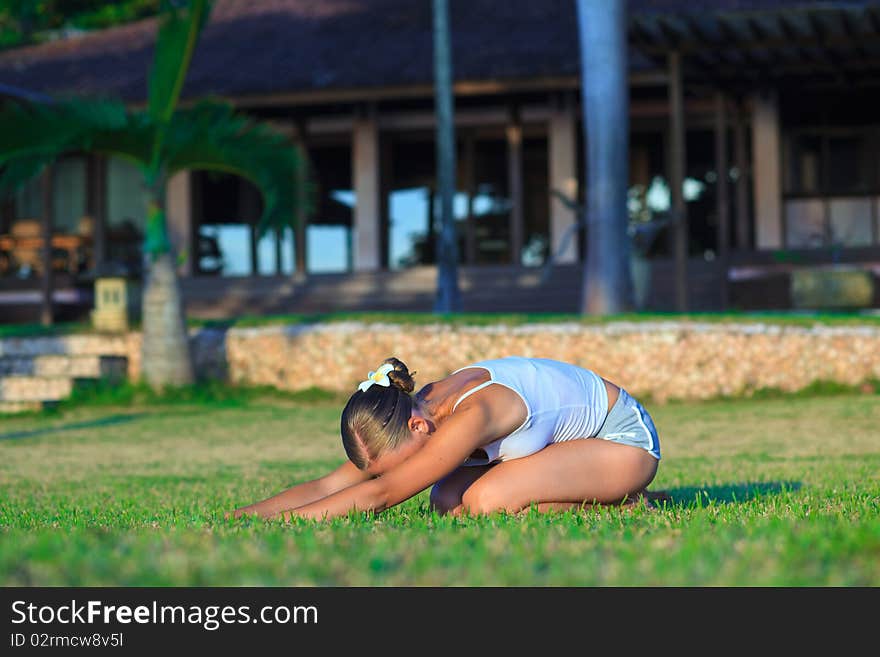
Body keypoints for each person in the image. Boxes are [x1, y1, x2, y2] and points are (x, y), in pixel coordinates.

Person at [230, 356, 665, 522]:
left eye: (396, 462)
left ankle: (623, 500)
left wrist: (282, 522)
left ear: (417, 427)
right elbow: (333, 485)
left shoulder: (471, 415)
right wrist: (243, 516)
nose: (397, 470)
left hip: (623, 442)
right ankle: (603, 491)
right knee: (445, 500)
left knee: (485, 501)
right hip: (567, 447)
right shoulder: (409, 414)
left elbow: (380, 495)